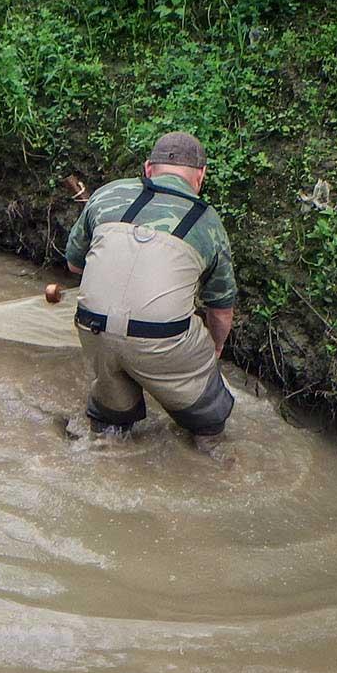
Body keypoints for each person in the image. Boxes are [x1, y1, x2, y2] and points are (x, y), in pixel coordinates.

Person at [65, 131, 238, 451]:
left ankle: (106, 434)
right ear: (200, 176)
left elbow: (75, 266)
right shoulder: (208, 222)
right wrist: (214, 349)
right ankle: (213, 454)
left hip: (93, 326)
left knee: (109, 429)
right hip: (162, 339)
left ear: (148, 168)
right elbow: (220, 310)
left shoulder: (106, 194)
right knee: (208, 416)